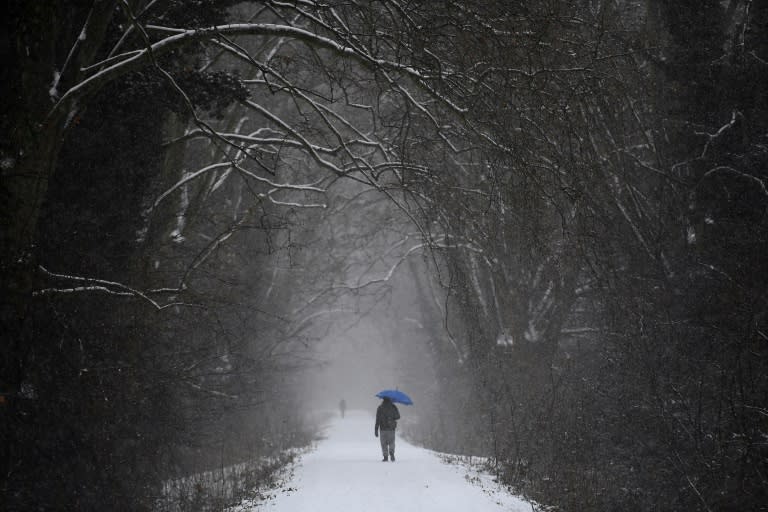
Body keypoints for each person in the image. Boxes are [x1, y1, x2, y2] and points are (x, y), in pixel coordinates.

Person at [374, 396, 400, 462]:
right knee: (391, 442)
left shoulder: (380, 408)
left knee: (383, 443)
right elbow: (398, 416)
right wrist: (392, 417)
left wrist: (376, 429)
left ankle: (385, 457)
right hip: (391, 429)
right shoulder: (393, 407)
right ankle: (391, 452)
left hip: (382, 429)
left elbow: (377, 419)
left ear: (383, 400)